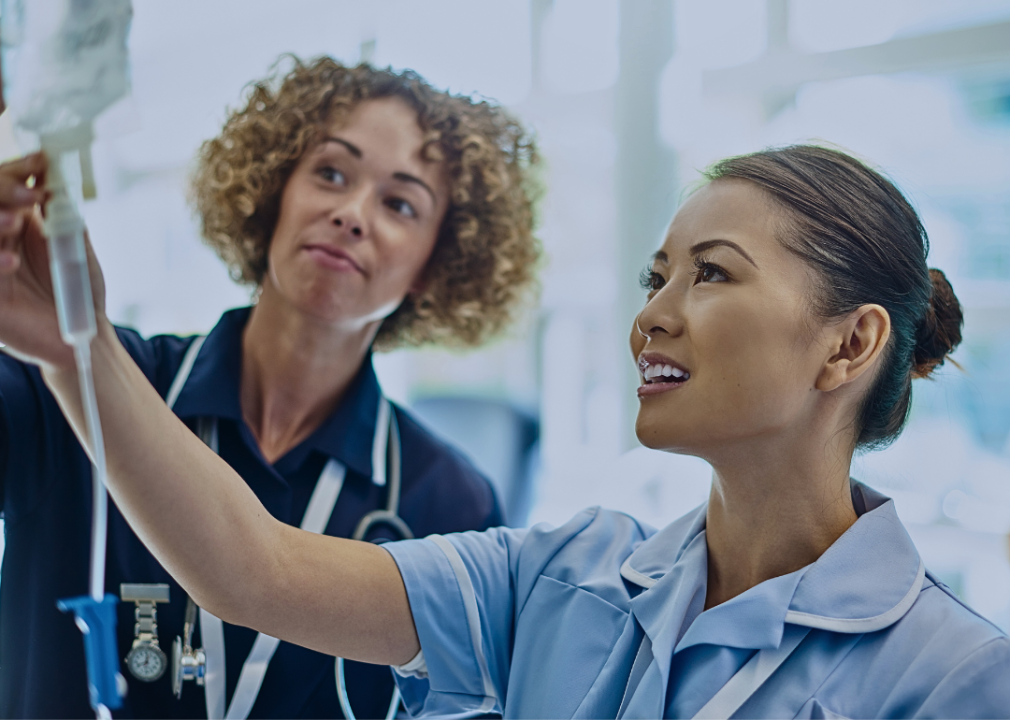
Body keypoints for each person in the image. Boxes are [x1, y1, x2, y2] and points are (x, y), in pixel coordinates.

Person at [3, 143, 1008, 719]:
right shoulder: (555, 579)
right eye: (652, 277)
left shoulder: (952, 677)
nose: (650, 315)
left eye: (709, 273)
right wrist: (73, 350)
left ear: (847, 347)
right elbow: (251, 573)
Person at [0, 57, 539, 719]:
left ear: (437, 263)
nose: (351, 213)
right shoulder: (73, 382)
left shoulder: (447, 500)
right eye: (331, 174)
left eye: (400, 204)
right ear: (274, 192)